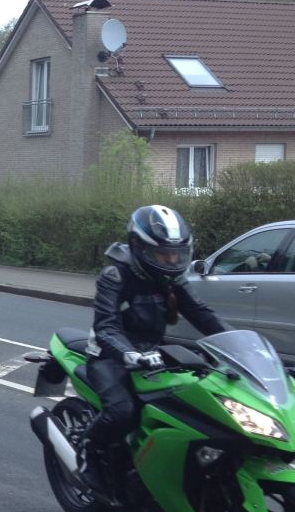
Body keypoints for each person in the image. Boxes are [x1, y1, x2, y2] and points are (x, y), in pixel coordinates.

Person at [81, 205, 228, 496]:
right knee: (123, 412)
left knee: (191, 405)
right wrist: (128, 353)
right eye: (163, 254)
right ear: (139, 247)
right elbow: (106, 327)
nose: (171, 260)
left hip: (151, 353)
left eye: (176, 254)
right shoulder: (116, 275)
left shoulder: (171, 278)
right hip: (109, 354)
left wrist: (245, 347)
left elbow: (202, 315)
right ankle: (89, 454)